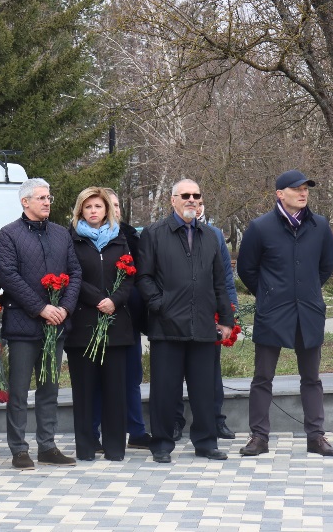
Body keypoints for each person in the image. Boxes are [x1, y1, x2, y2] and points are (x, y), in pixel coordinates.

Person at [237, 170, 333, 457]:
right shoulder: (260, 227)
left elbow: (325, 266)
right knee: (262, 377)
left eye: (306, 188)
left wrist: (305, 292)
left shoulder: (320, 225)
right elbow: (247, 269)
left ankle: (316, 437)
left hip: (308, 311)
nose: (303, 193)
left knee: (312, 378)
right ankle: (259, 436)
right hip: (273, 312)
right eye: (297, 189)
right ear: (280, 194)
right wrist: (268, 294)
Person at [137, 178, 234, 464]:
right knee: (164, 391)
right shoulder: (154, 233)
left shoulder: (210, 236)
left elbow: (219, 281)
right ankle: (162, 444)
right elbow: (143, 277)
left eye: (197, 196)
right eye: (186, 195)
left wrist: (226, 319)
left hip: (203, 325)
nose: (192, 200)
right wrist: (160, 305)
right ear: (173, 200)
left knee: (204, 389)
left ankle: (205, 442)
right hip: (166, 327)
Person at [0, 178, 82, 470]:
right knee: (19, 391)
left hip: (55, 325)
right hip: (23, 326)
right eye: (42, 198)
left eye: (49, 197)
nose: (47, 202)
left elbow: (75, 272)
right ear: (25, 202)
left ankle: (47, 446)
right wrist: (41, 308)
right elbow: (8, 276)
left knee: (50, 388)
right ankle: (19, 449)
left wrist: (65, 308)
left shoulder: (61, 234)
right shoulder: (9, 235)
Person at [65, 187, 134, 462]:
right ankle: (86, 447)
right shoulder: (71, 240)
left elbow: (129, 275)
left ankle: (115, 448)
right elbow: (72, 275)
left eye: (98, 207)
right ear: (80, 211)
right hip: (84, 326)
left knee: (115, 391)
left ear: (107, 210)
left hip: (115, 326)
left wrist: (114, 300)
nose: (93, 211)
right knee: (84, 391)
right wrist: (99, 299)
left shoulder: (120, 240)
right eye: (88, 207)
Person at [173, 200, 238, 441]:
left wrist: (230, 313)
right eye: (190, 201)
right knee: (175, 371)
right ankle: (175, 421)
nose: (197, 207)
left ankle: (215, 419)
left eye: (201, 202)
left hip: (208, 314)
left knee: (211, 371)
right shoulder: (165, 232)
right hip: (176, 315)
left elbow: (224, 278)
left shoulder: (214, 235)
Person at [103, 189, 151, 450]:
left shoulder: (133, 236)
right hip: (98, 316)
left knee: (132, 376)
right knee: (100, 378)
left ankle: (137, 430)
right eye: (110, 205)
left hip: (129, 318)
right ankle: (99, 431)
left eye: (118, 204)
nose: (116, 209)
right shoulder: (82, 238)